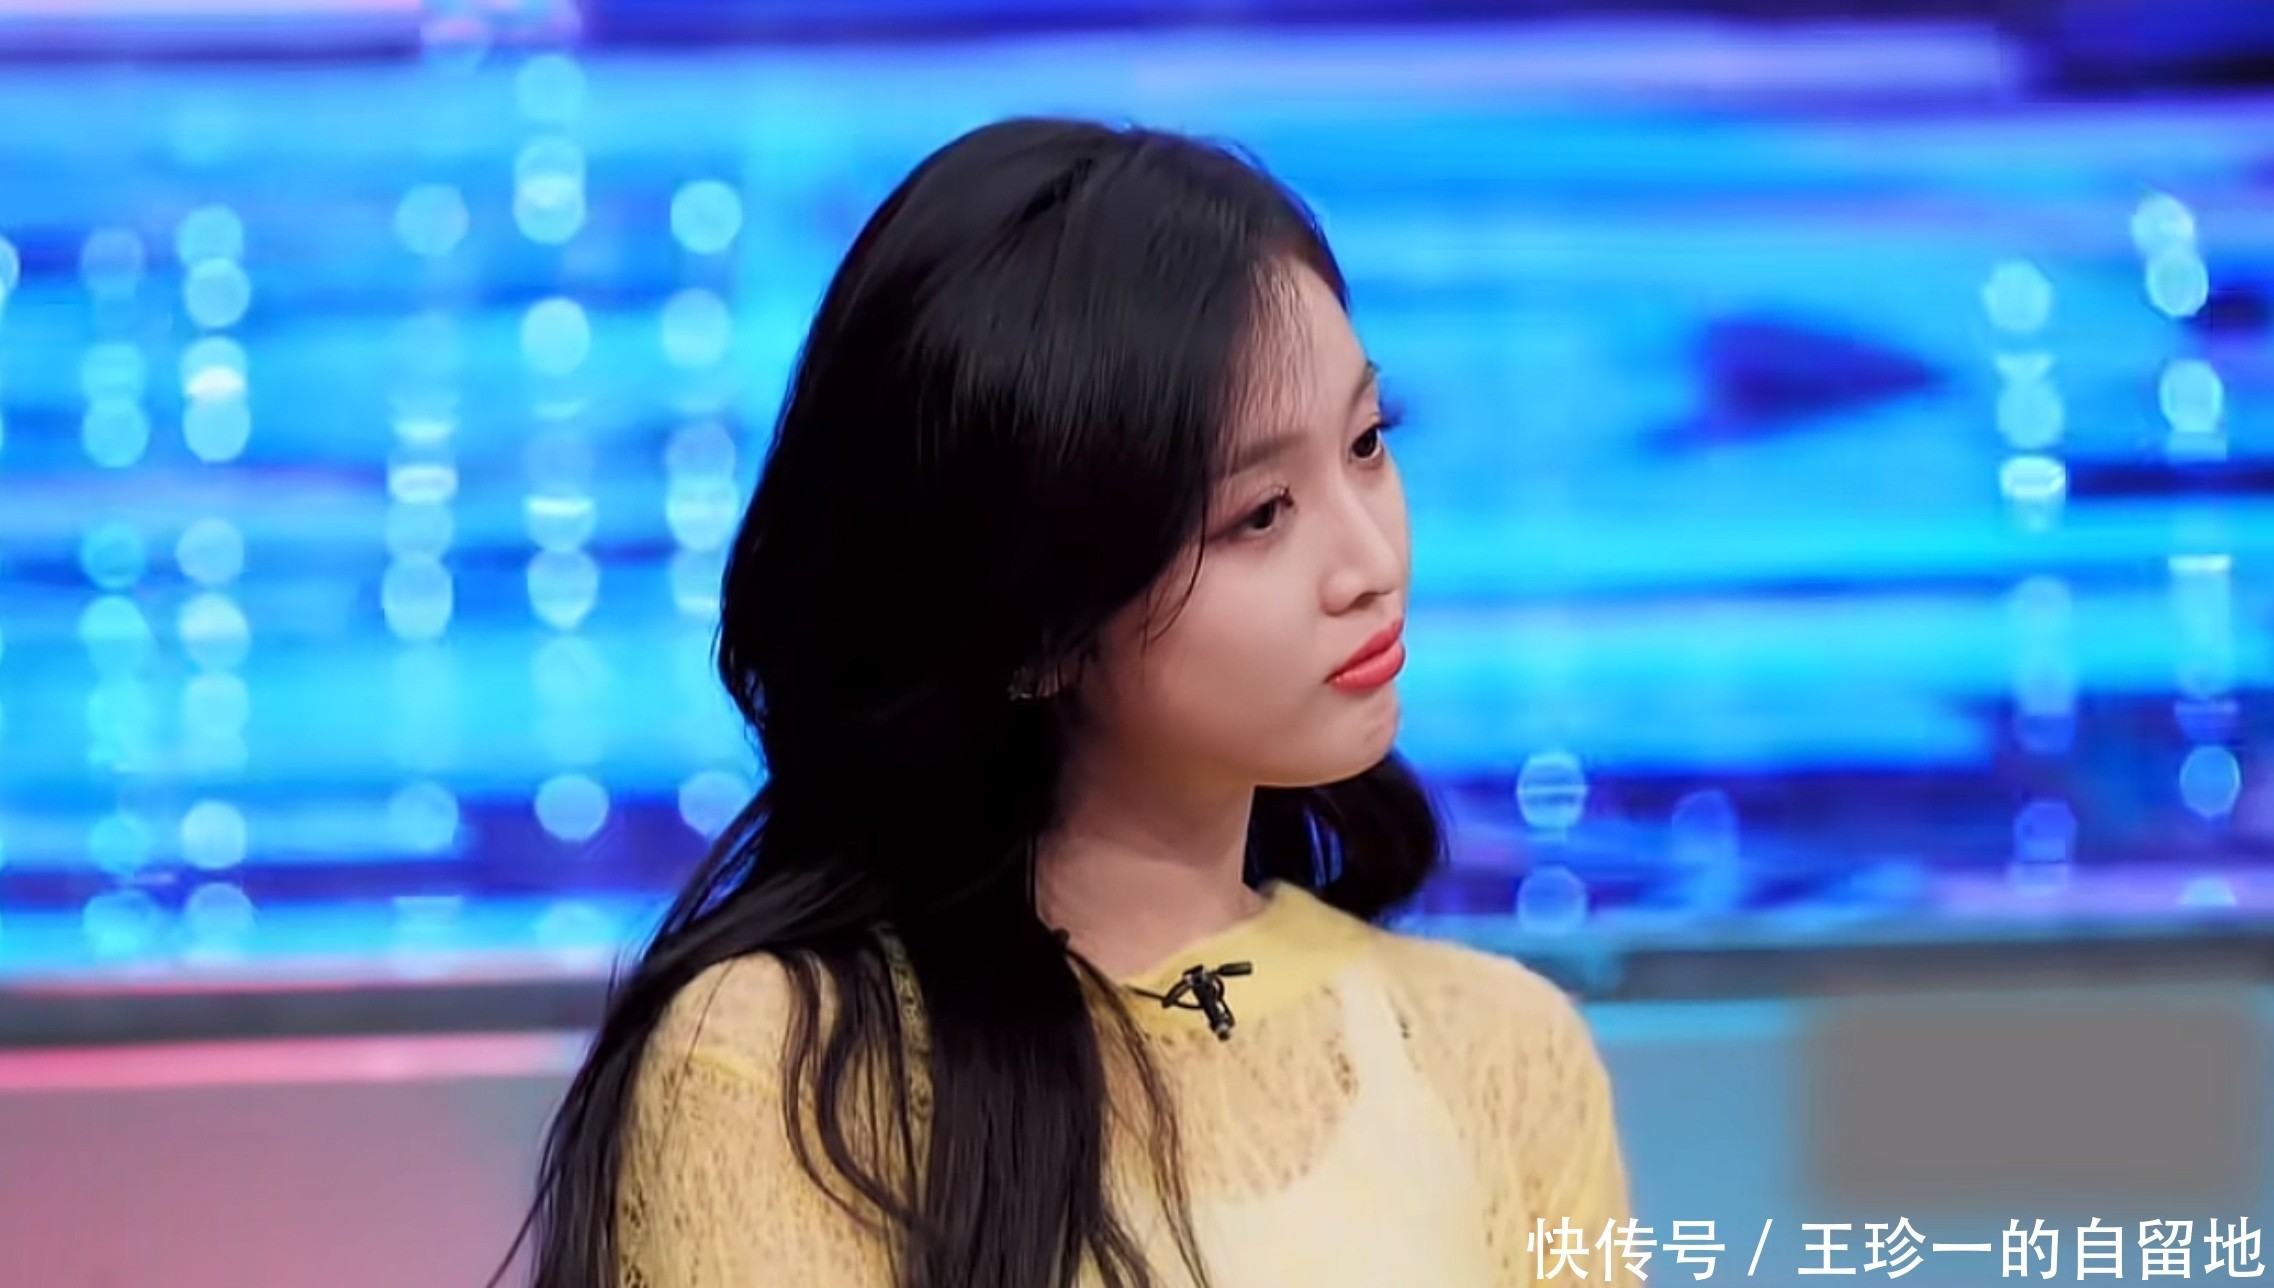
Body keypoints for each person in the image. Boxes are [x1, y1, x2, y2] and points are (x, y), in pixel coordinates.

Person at [511, 116, 1635, 1288]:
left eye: (1366, 443)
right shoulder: (782, 1069)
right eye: (1260, 514)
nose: (1371, 560)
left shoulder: (1502, 1052)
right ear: (1038, 618)